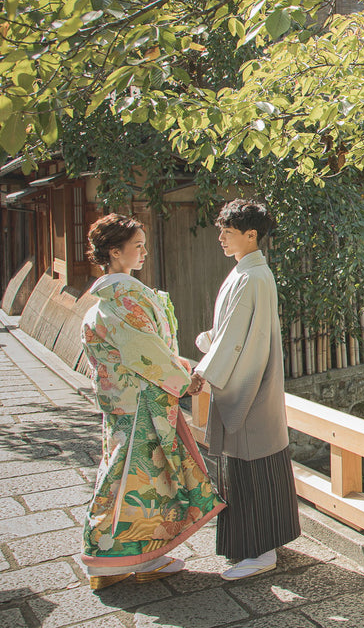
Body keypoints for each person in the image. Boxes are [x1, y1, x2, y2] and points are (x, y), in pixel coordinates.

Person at [80, 214, 223, 590]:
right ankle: (108, 558)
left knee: (139, 478)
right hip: (142, 402)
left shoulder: (108, 301)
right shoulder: (123, 299)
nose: (144, 252)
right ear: (115, 252)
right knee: (134, 479)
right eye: (137, 245)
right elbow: (148, 353)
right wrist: (185, 381)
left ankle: (143, 556)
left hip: (126, 401)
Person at [192, 199, 300, 580]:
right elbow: (233, 333)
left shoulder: (252, 277)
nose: (221, 238)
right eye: (221, 231)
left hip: (249, 385)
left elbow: (237, 340)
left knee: (251, 468)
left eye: (228, 232)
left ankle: (261, 551)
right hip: (251, 378)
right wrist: (212, 342)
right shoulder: (251, 273)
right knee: (256, 467)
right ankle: (259, 547)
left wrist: (203, 372)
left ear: (251, 235)